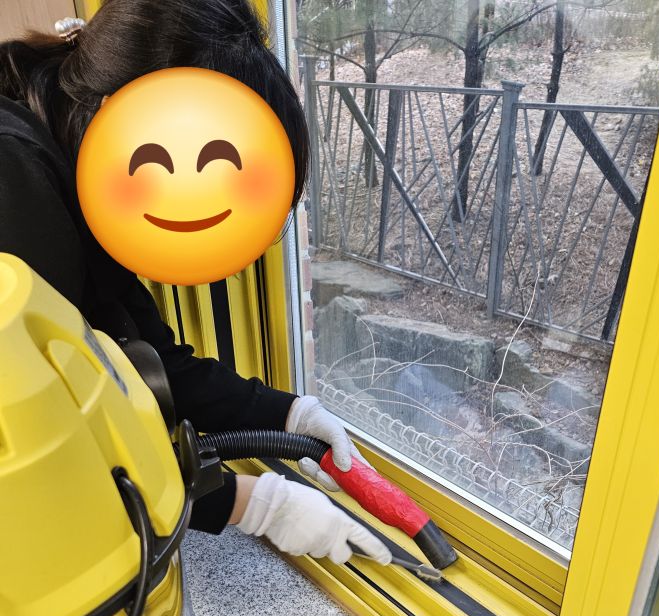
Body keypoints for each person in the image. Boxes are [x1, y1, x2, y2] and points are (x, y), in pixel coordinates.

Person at [0, 0, 392, 567]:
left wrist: (289, 415)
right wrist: (247, 504)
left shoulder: (85, 173)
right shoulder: (14, 181)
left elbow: (146, 361)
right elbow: (49, 443)